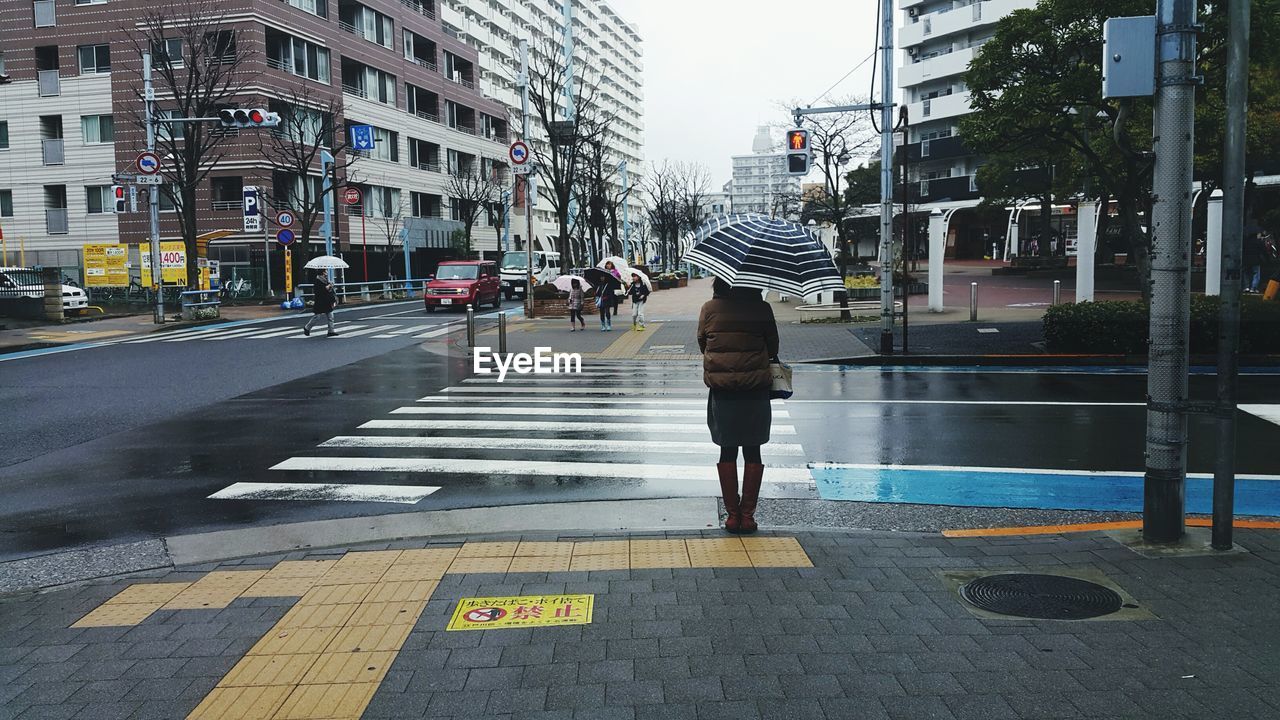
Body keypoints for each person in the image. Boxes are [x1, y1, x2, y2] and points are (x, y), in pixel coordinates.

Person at [697, 276, 779, 534]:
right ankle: (748, 516)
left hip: (724, 392)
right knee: (753, 450)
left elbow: (703, 344)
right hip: (755, 389)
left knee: (727, 449)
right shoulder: (761, 308)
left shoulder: (709, 309)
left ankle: (732, 517)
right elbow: (773, 347)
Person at [303, 272, 338, 336]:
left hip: (327, 301)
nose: (326, 273)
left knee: (330, 316)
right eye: (325, 271)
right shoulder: (317, 281)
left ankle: (331, 331)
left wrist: (330, 286)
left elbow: (328, 290)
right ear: (322, 272)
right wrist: (328, 286)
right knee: (317, 316)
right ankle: (307, 327)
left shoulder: (326, 280)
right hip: (320, 301)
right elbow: (320, 291)